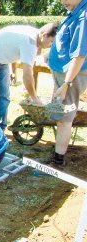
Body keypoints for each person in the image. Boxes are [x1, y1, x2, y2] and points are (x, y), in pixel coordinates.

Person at [0, 23, 59, 130]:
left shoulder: (35, 37)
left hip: (3, 60)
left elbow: (13, 47)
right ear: (44, 35)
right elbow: (27, 75)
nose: (51, 45)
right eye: (51, 41)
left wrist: (14, 71)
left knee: (4, 96)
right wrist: (35, 98)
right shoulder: (30, 42)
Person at [46, 0, 87, 168]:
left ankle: (58, 161)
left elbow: (79, 55)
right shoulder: (75, 11)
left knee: (64, 119)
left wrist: (67, 84)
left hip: (70, 77)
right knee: (59, 115)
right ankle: (57, 152)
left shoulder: (84, 16)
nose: (63, 1)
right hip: (62, 74)